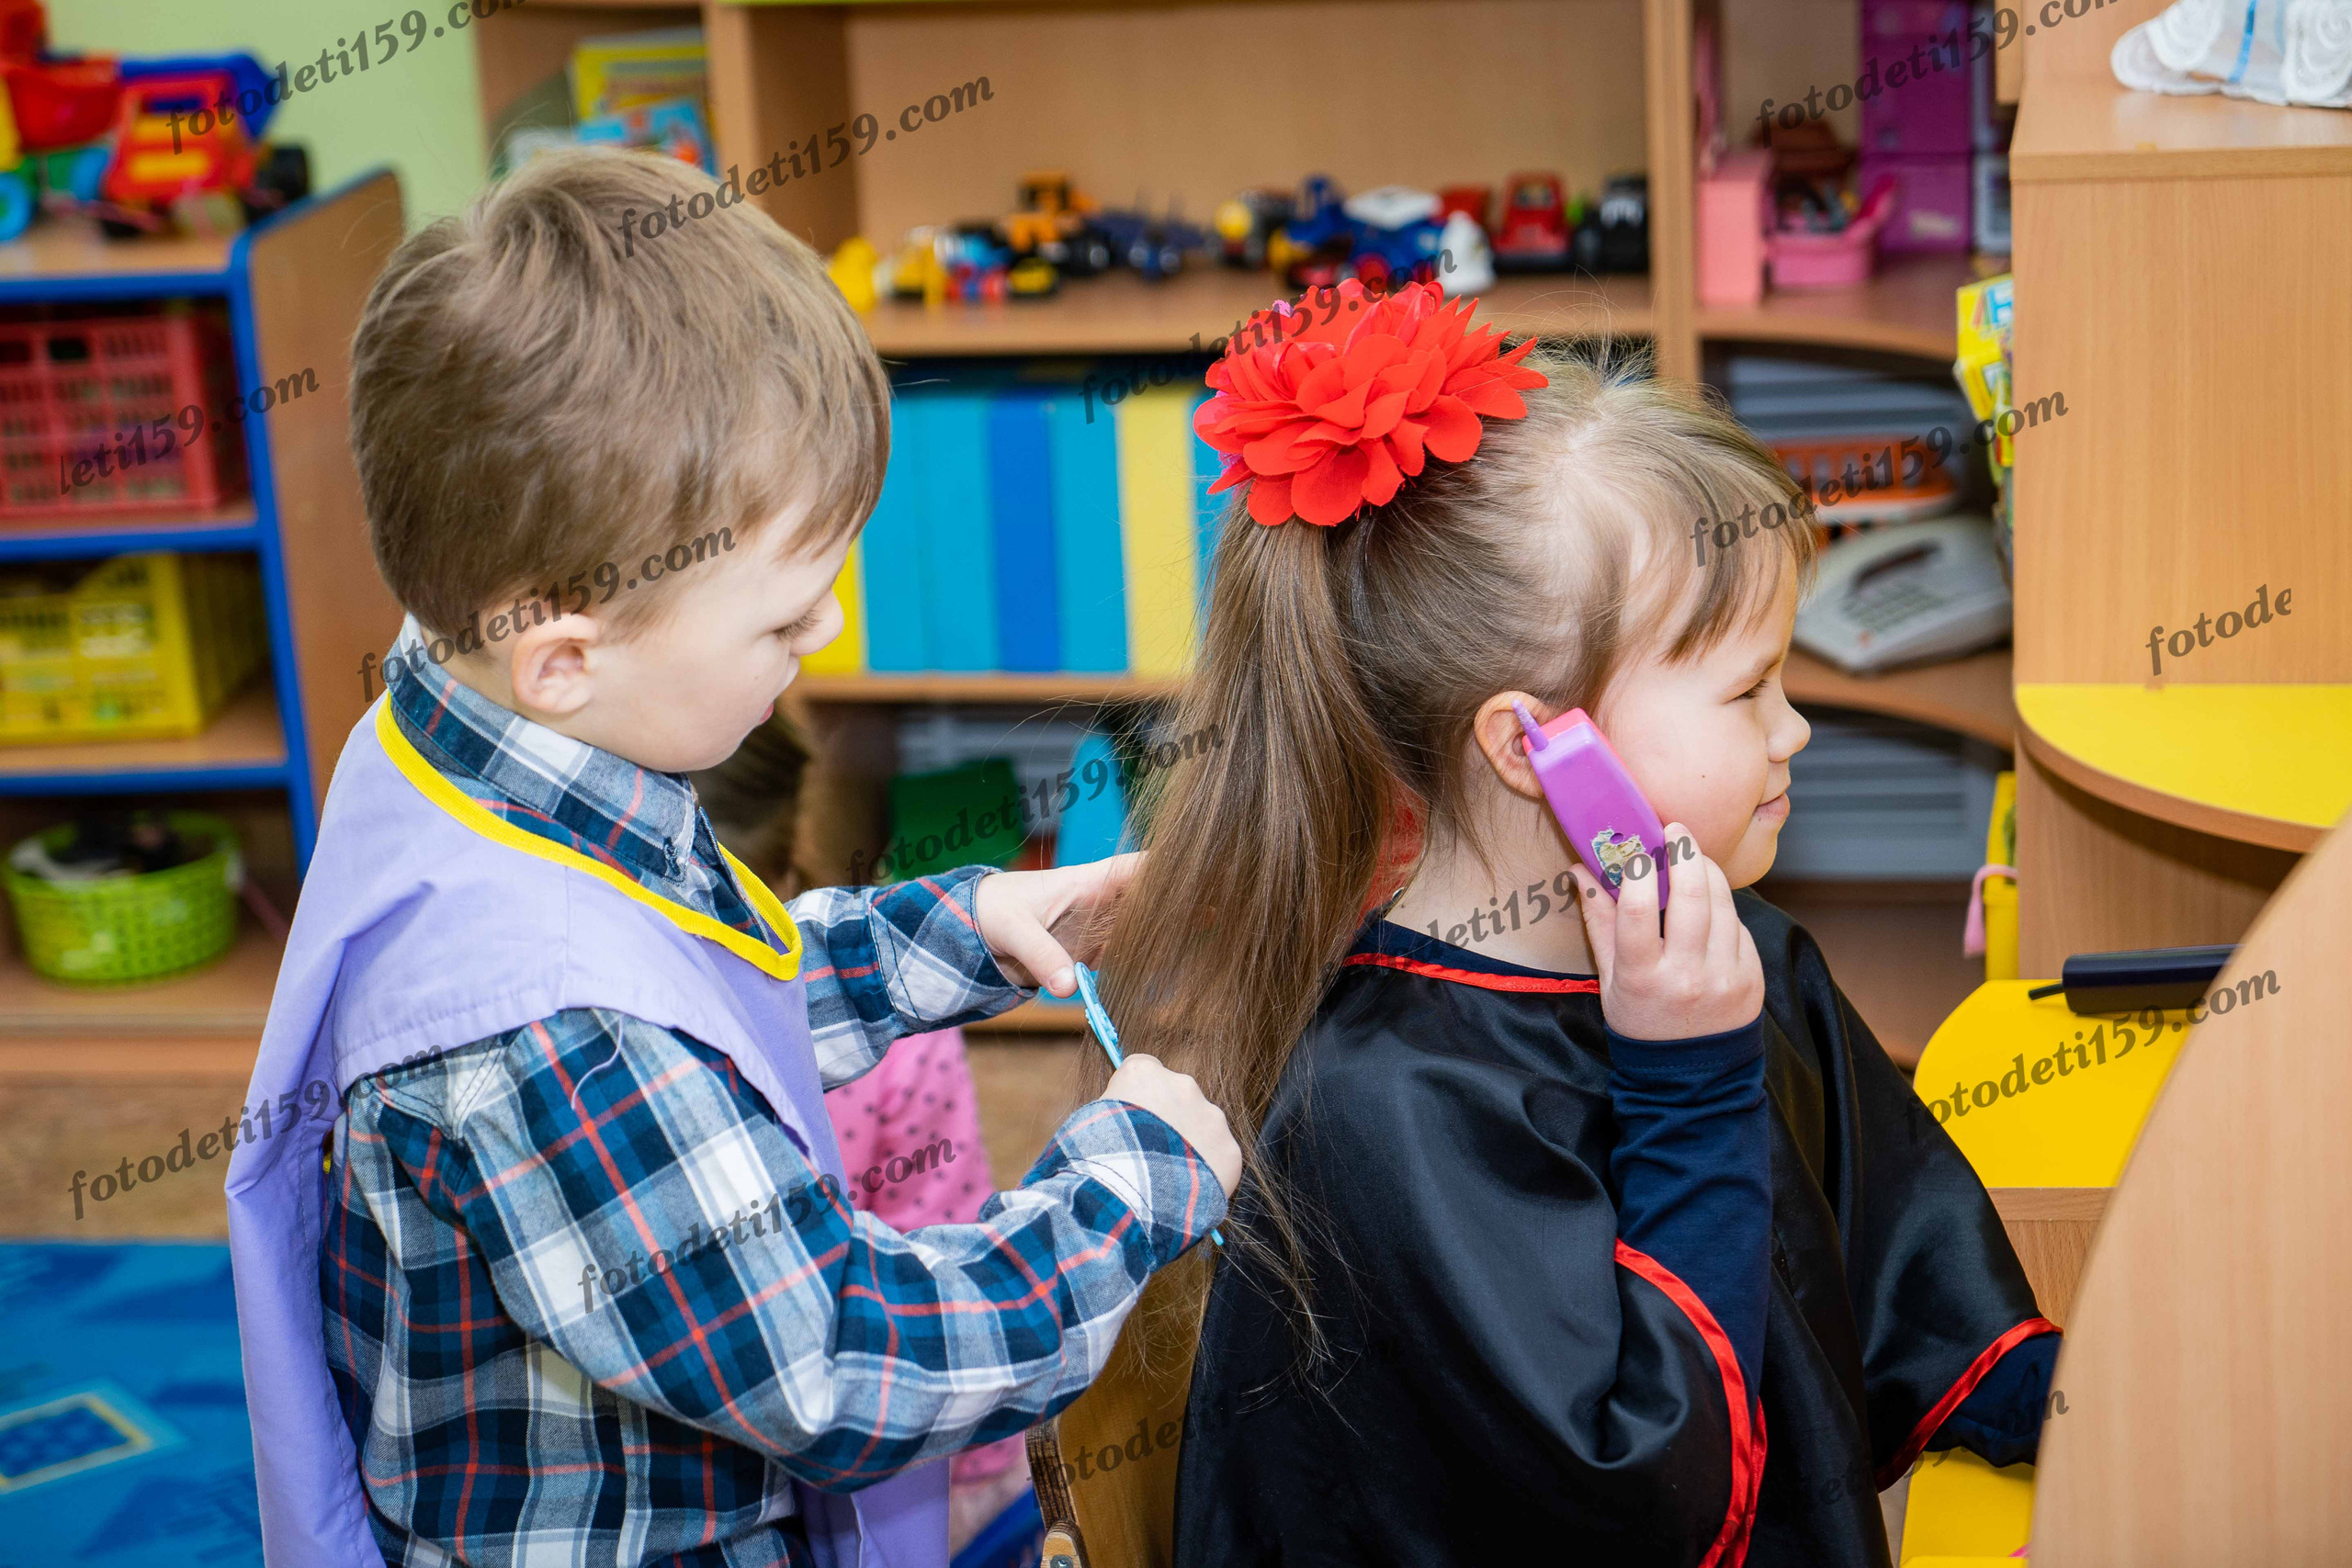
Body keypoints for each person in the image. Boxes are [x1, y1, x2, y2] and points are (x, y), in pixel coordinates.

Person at [225, 148, 1239, 1568]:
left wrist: (973, 927)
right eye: (782, 617)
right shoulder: (556, 1036)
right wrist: (1123, 1186)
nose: (823, 634)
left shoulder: (470, 735)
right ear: (569, 653)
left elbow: (702, 982)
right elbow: (839, 1365)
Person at [1093, 277, 2055, 1566]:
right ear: (1536, 749)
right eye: (1749, 689)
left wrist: (2058, 1401)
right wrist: (1686, 1088)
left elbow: (1880, 1227)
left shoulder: (1732, 951)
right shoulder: (1389, 1105)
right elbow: (1639, 1499)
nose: (1795, 731)